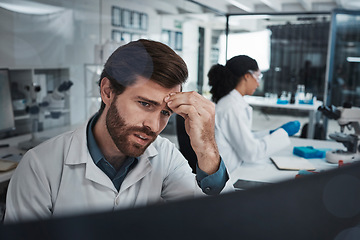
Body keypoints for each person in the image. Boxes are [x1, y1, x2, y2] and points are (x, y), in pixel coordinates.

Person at [5, 39, 232, 223]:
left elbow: (212, 219)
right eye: (145, 104)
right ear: (107, 92)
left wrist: (207, 149)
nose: (154, 126)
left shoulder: (165, 155)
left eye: (165, 113)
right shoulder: (39, 166)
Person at [208, 55, 300, 175]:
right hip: (231, 174)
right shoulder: (231, 107)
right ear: (247, 76)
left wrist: (271, 133)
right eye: (258, 77)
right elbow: (251, 153)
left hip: (235, 167)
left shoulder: (232, 102)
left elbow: (243, 138)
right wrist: (283, 133)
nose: (258, 84)